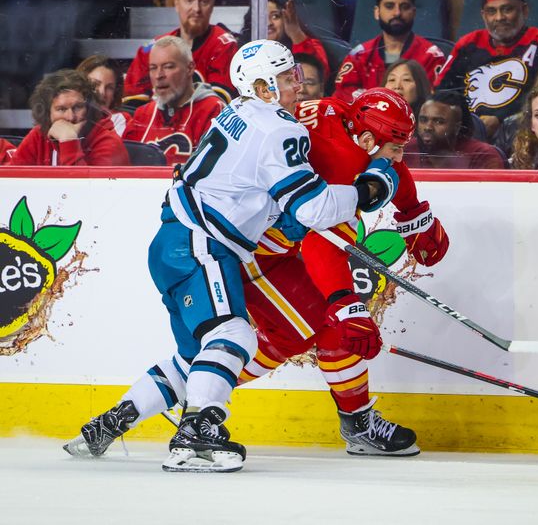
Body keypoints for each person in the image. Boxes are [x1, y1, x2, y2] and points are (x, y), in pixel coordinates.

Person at [63, 40, 401, 472]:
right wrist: (370, 188)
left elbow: (254, 189)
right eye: (284, 78)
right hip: (203, 245)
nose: (296, 83)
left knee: (194, 358)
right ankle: (198, 434)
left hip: (173, 244)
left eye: (294, 73)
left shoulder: (235, 113)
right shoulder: (280, 128)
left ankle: (109, 423)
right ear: (261, 87)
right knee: (236, 335)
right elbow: (312, 208)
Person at [238, 87, 451, 456]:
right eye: (396, 146)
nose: (401, 157)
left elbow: (387, 163)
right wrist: (344, 301)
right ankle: (198, 393)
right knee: (300, 333)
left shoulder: (342, 115)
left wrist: (412, 212)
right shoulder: (341, 163)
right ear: (366, 138)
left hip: (271, 242)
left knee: (323, 328)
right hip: (248, 249)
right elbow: (325, 245)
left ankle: (358, 423)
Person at [435, 0, 538, 140]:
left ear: (524, 10)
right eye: (491, 11)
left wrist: (501, 119)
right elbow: (442, 92)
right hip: (468, 135)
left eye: (507, 9)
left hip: (524, 133)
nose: (499, 18)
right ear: (483, 15)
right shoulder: (468, 43)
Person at [122, 36, 225, 166]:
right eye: (153, 68)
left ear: (189, 68)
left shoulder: (214, 110)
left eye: (168, 66)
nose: (159, 75)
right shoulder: (142, 115)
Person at [124, 0, 238, 106]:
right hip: (158, 122)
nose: (196, 9)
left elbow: (217, 104)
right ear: (177, 4)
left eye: (204, 2)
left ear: (212, 5)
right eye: (189, 1)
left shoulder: (223, 45)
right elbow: (133, 104)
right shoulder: (154, 49)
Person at [333, 0, 446, 102]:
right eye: (389, 6)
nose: (397, 13)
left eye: (405, 7)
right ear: (377, 12)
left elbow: (435, 103)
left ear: (414, 12)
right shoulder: (358, 55)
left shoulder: (432, 56)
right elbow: (340, 97)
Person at [6, 69, 129, 166]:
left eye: (78, 107)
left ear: (90, 108)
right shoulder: (38, 137)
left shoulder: (108, 143)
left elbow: (87, 195)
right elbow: (13, 184)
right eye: (61, 109)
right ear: (46, 112)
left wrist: (69, 141)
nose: (70, 117)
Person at [405, 91, 506, 169]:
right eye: (423, 120)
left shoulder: (482, 156)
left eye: (439, 121)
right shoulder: (405, 151)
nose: (428, 127)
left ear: (457, 127)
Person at [266, 0, 330, 79]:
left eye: (275, 16)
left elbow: (317, 78)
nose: (268, 23)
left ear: (285, 17)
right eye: (262, 17)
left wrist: (295, 34)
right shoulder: (245, 49)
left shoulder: (310, 44)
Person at [76, 55, 130, 136]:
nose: (102, 92)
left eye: (109, 88)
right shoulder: (67, 115)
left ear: (115, 94)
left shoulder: (119, 120)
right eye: (95, 84)